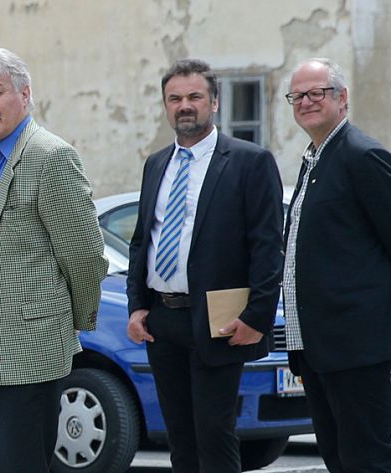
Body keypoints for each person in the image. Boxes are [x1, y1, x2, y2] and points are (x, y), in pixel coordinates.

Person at [0, 47, 108, 472]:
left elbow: (85, 255)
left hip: (28, 346)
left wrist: (66, 322)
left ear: (25, 93)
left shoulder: (51, 157)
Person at [123, 59, 284, 473]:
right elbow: (142, 241)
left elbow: (268, 247)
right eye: (174, 98)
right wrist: (137, 306)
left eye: (194, 96)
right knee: (180, 437)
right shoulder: (156, 164)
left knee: (214, 434)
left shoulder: (250, 161)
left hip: (220, 320)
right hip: (163, 319)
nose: (184, 106)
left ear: (214, 102)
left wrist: (257, 317)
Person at [279, 58, 391, 473]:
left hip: (356, 342)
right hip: (316, 345)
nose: (306, 102)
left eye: (317, 93)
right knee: (338, 458)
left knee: (366, 460)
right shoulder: (314, 159)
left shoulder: (363, 156)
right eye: (297, 96)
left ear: (342, 98)